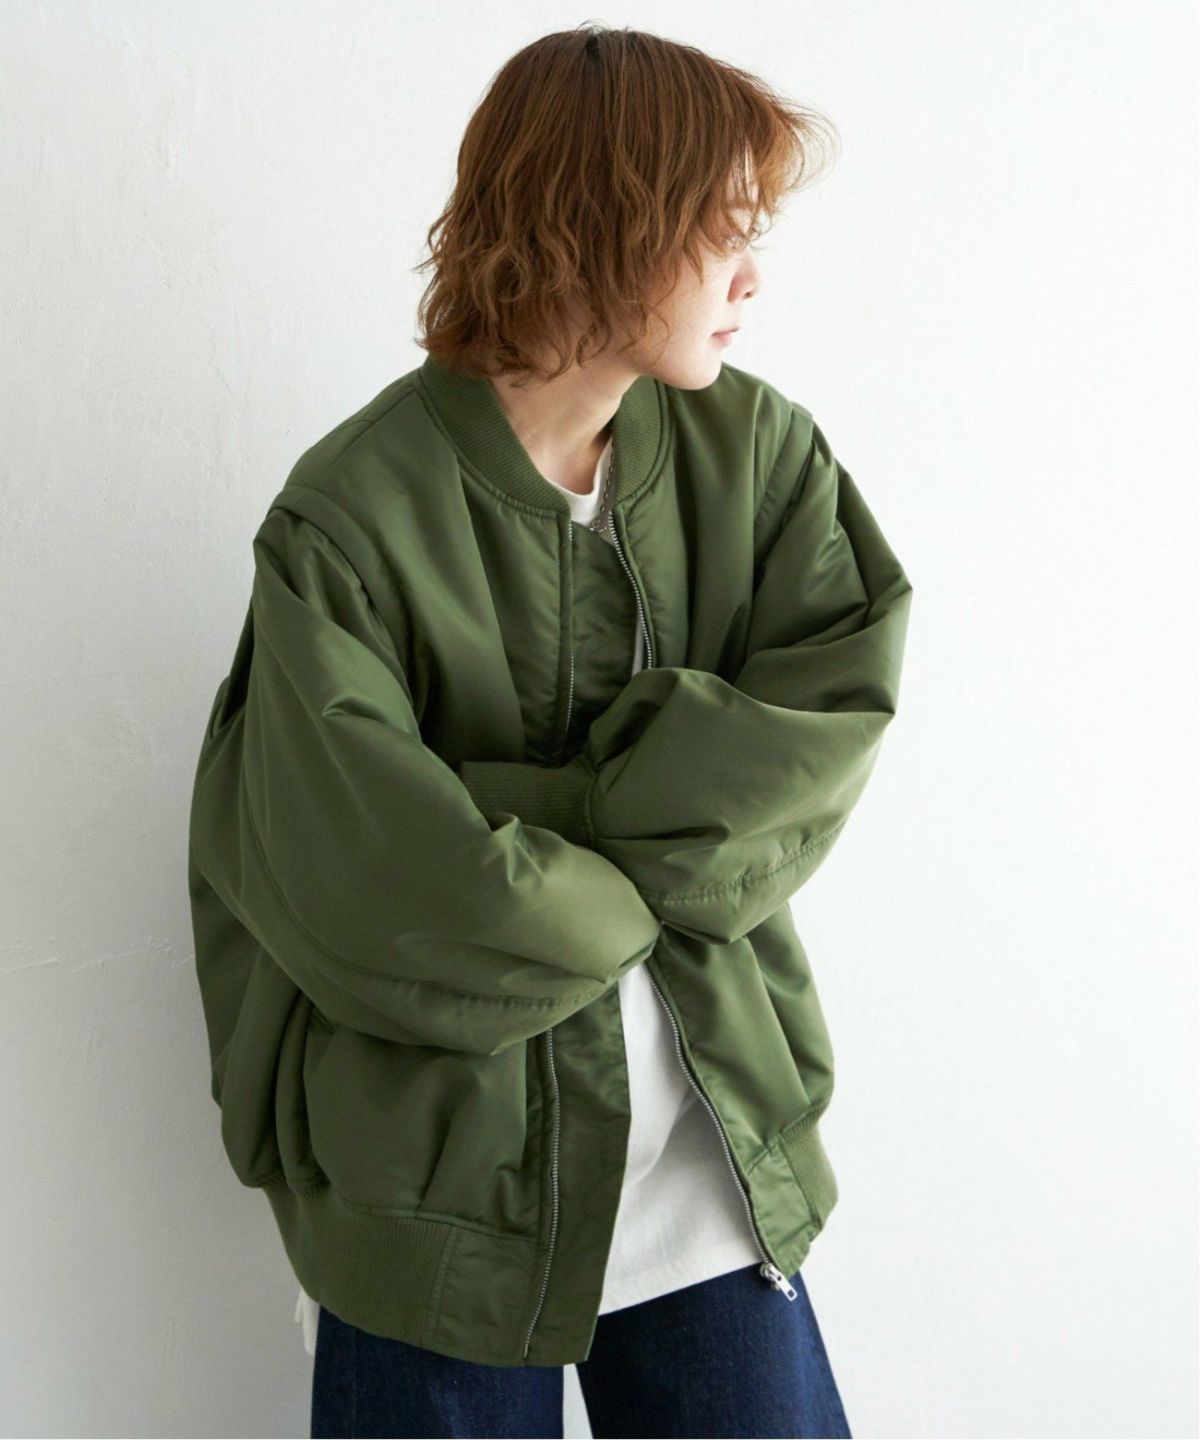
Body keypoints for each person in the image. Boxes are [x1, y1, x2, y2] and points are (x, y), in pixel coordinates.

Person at [187, 22, 913, 1439]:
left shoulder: (760, 460)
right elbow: (372, 877)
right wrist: (637, 837)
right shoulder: (350, 519)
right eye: (722, 230)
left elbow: (817, 729)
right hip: (434, 1204)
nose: (752, 275)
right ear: (604, 223)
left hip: (707, 1165)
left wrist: (512, 809)